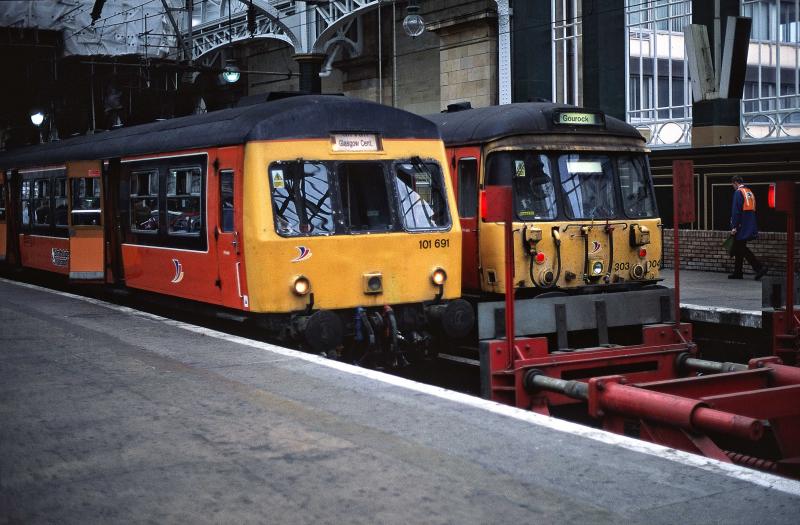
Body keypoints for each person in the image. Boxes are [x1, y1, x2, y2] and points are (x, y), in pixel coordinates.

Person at [728, 176, 768, 279]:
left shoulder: (738, 192)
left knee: (741, 248)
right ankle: (738, 272)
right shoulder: (749, 191)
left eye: (732, 184)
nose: (733, 187)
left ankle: (759, 268)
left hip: (741, 226)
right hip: (749, 225)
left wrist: (734, 226)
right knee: (738, 248)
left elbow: (736, 211)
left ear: (735, 183)